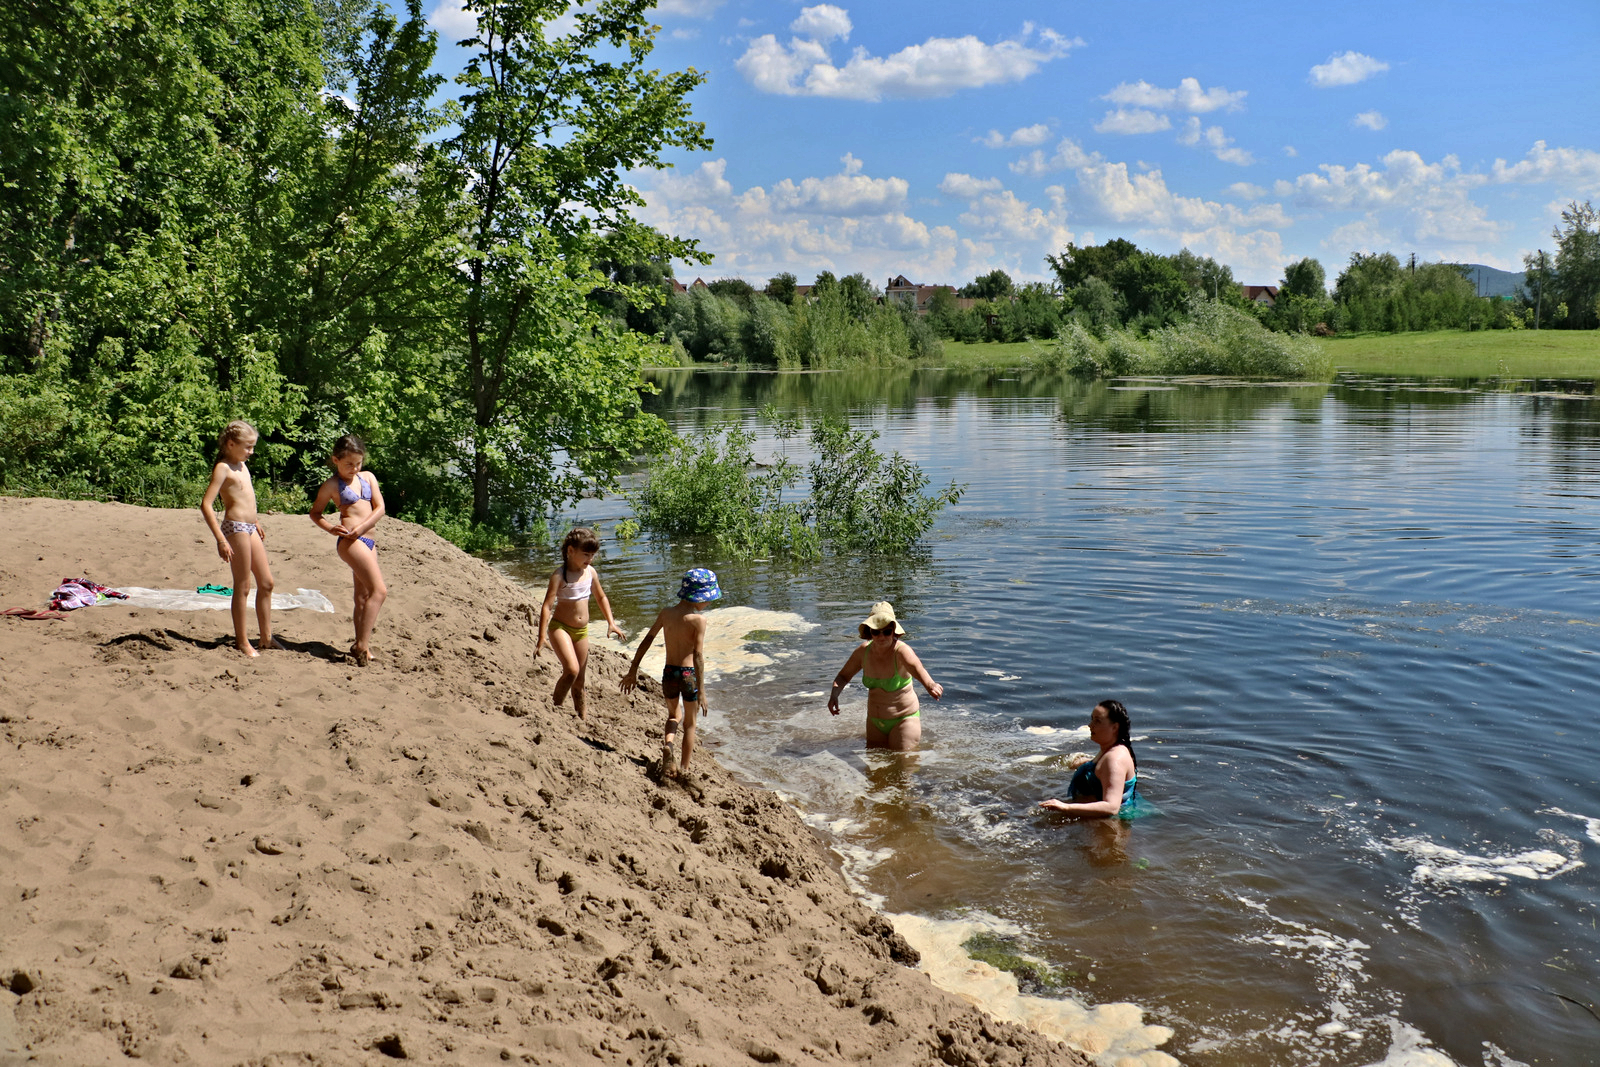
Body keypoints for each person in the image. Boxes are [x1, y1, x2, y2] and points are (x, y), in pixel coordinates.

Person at [620, 568, 721, 779]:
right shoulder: (698, 620)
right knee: (690, 724)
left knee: (674, 715)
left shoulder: (666, 613)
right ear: (699, 596)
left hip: (668, 673)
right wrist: (701, 690)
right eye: (708, 599)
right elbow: (698, 657)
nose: (709, 603)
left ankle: (668, 744)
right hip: (688, 675)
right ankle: (684, 769)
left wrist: (633, 669)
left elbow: (647, 640)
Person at [199, 420, 276, 657]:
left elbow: (246, 497)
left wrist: (256, 521)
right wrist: (221, 539)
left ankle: (266, 638)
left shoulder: (242, 465)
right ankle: (242, 641)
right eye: (247, 447)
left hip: (250, 527)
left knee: (267, 583)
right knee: (243, 586)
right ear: (231, 444)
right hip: (234, 528)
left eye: (253, 446)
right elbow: (206, 504)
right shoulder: (223, 468)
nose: (251, 452)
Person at [309, 434, 387, 666]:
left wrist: (362, 527)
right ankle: (361, 645)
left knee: (362, 596)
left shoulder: (368, 477)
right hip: (350, 542)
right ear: (335, 460)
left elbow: (380, 508)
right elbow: (315, 513)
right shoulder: (332, 485)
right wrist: (330, 528)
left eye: (358, 463)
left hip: (367, 539)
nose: (354, 468)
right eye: (348, 464)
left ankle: (363, 644)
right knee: (379, 591)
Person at [535, 526, 624, 721]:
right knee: (572, 670)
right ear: (570, 551)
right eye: (586, 555)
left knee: (580, 680)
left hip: (581, 631)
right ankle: (555, 707)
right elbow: (547, 606)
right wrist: (541, 636)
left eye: (592, 555)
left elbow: (601, 597)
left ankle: (581, 717)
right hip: (560, 628)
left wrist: (611, 622)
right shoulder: (559, 575)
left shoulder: (590, 572)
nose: (589, 560)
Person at [827, 601, 942, 751]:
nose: (881, 636)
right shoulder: (863, 652)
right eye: (876, 631)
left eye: (886, 632)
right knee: (874, 769)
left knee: (903, 767)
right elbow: (843, 676)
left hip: (904, 719)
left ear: (894, 631)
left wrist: (930, 685)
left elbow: (917, 669)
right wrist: (834, 695)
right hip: (875, 722)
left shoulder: (901, 651)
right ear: (870, 632)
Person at [1039, 699, 1142, 817]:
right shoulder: (1110, 750)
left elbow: (1111, 807)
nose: (1090, 725)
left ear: (1114, 727)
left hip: (1109, 827)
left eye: (1097, 721)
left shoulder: (1114, 759)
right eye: (1092, 719)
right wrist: (1087, 764)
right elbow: (1104, 772)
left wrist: (1066, 807)